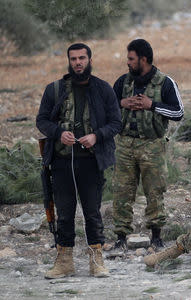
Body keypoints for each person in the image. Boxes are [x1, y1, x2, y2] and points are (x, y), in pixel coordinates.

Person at [36, 43, 122, 278]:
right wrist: (58, 133)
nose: (78, 63)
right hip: (62, 162)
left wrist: (96, 136)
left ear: (90, 60)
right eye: (73, 59)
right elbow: (42, 120)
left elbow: (116, 123)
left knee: (92, 212)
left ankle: (97, 261)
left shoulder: (103, 89)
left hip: (92, 162)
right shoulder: (54, 89)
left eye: (82, 58)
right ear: (69, 61)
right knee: (64, 212)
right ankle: (64, 262)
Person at [112, 39, 184, 250]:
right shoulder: (123, 83)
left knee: (154, 191)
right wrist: (121, 103)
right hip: (124, 145)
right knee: (122, 191)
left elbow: (178, 112)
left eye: (131, 58)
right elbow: (106, 108)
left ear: (143, 59)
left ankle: (156, 236)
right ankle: (120, 236)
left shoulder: (166, 83)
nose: (128, 62)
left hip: (152, 145)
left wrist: (151, 105)